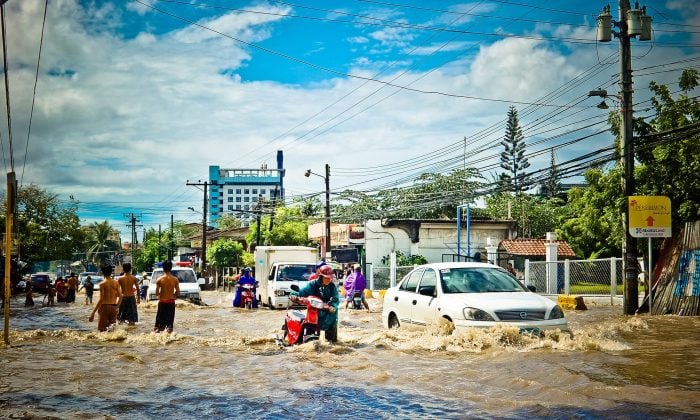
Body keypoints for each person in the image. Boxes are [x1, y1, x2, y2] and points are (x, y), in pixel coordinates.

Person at [289, 264, 339, 343]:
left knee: (332, 340)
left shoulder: (332, 287)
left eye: (330, 278)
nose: (329, 280)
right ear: (321, 276)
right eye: (326, 278)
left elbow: (335, 299)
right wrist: (294, 295)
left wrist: (332, 306)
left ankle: (332, 340)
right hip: (315, 309)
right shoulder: (313, 284)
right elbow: (302, 292)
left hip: (327, 310)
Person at [88, 265, 122, 332]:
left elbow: (101, 299)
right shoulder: (116, 283)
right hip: (113, 307)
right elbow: (120, 296)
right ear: (111, 272)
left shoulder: (102, 284)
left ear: (103, 273)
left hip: (104, 307)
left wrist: (93, 313)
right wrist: (117, 307)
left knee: (102, 330)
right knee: (112, 330)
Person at [153, 260, 180, 333]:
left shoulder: (159, 279)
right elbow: (178, 293)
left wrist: (160, 296)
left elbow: (157, 293)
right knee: (169, 326)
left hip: (162, 302)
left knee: (158, 326)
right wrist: (173, 296)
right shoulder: (175, 279)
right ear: (171, 268)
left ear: (163, 268)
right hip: (171, 302)